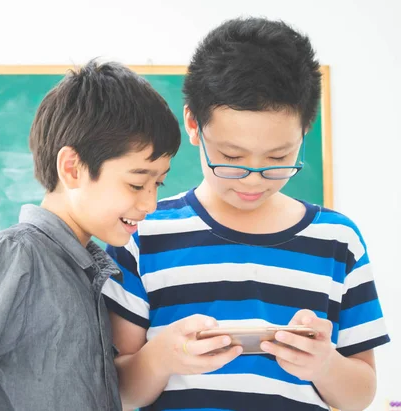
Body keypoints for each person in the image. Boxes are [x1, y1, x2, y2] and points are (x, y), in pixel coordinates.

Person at [102, 17, 390, 411]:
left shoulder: (338, 241)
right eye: (231, 157)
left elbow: (360, 394)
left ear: (305, 131)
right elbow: (116, 391)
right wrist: (162, 357)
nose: (253, 180)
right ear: (193, 124)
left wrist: (324, 365)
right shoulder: (141, 233)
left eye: (279, 158)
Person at [0, 60, 181, 411]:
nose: (150, 202)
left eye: (158, 183)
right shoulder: (17, 255)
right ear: (72, 168)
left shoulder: (87, 271)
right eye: (137, 183)